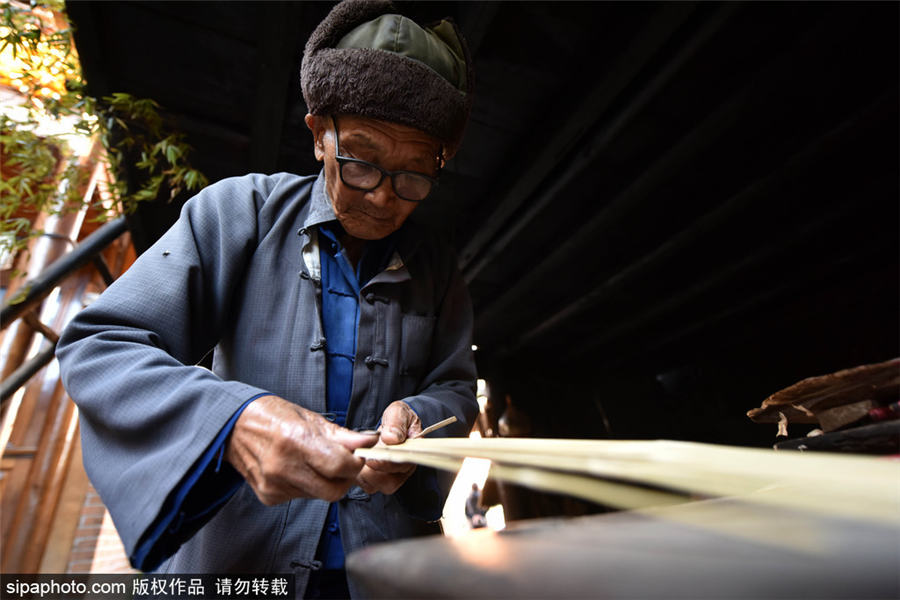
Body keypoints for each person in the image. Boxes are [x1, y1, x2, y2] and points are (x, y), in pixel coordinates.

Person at [55, 1, 477, 597]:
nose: (384, 198)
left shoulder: (438, 265)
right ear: (318, 135)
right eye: (361, 160)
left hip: (388, 571)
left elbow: (457, 390)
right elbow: (102, 346)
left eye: (414, 174)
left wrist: (422, 421)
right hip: (240, 566)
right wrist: (233, 423)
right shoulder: (239, 212)